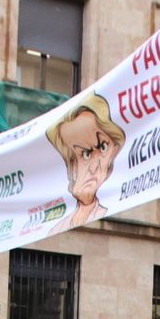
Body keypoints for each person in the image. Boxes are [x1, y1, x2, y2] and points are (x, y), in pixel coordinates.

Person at [46, 93, 125, 234]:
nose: (94, 166)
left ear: (115, 148)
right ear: (72, 166)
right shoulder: (58, 227)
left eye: (102, 147)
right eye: (86, 155)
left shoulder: (116, 205)